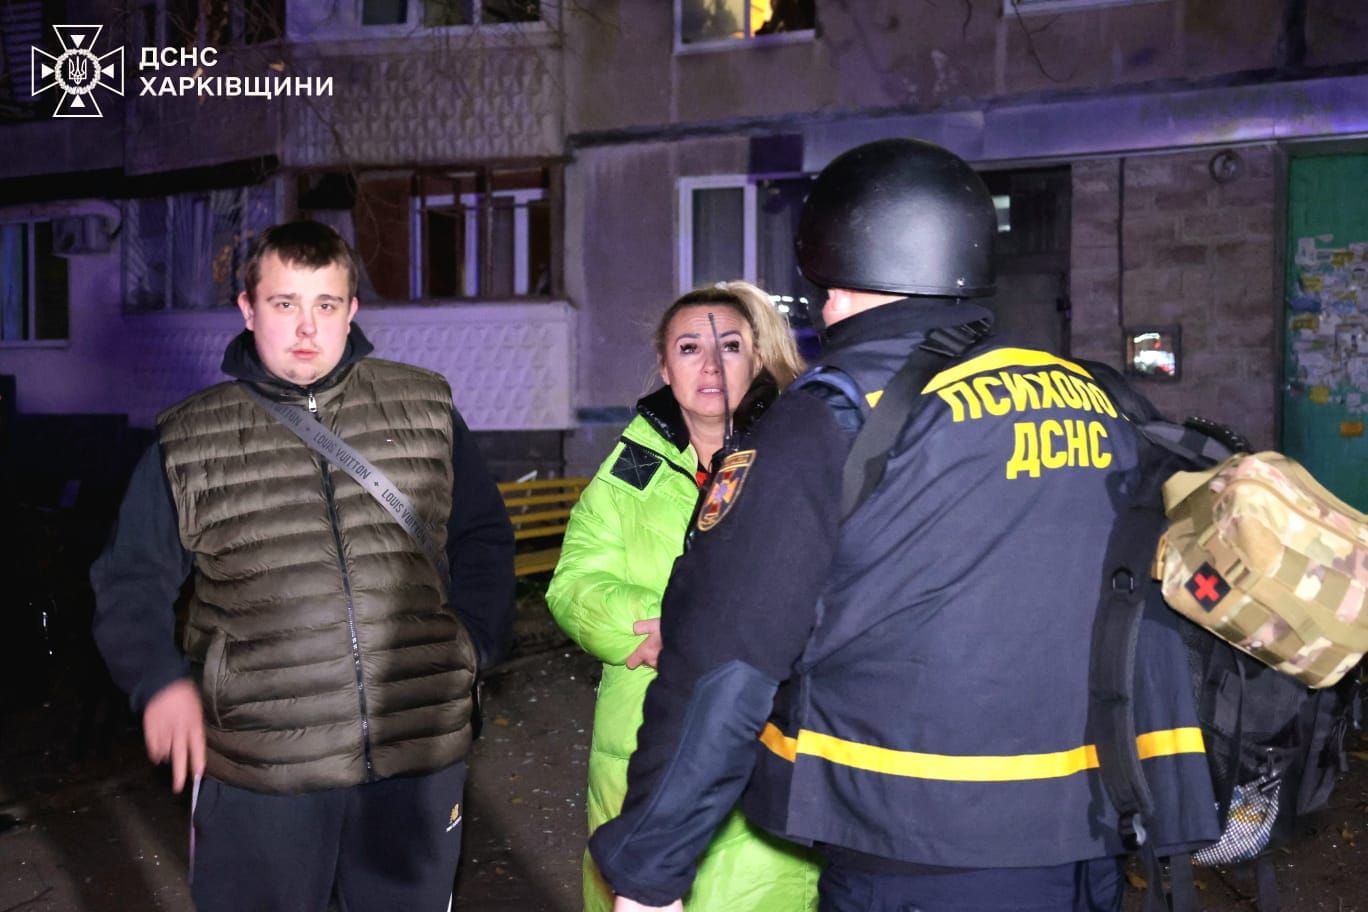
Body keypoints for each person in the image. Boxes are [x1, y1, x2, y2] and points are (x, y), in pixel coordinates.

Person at [587, 139, 1222, 912]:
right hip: (1094, 838)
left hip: (917, 844)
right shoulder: (1098, 395)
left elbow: (726, 659)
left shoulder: (831, 415)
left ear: (836, 279)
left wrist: (650, 868)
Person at [90, 219, 515, 912]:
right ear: (248, 309)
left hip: (415, 754)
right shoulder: (188, 439)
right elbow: (129, 578)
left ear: (352, 311)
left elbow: (483, 538)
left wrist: (473, 644)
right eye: (285, 303)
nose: (307, 328)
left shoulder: (426, 407)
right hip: (261, 769)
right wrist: (158, 680)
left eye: (326, 304)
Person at [547, 281, 819, 912]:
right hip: (641, 741)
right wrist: (654, 626)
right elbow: (575, 582)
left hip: (763, 738)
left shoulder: (797, 455)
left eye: (731, 346)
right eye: (690, 348)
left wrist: (699, 630)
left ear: (758, 359)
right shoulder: (632, 468)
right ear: (665, 368)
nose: (712, 364)